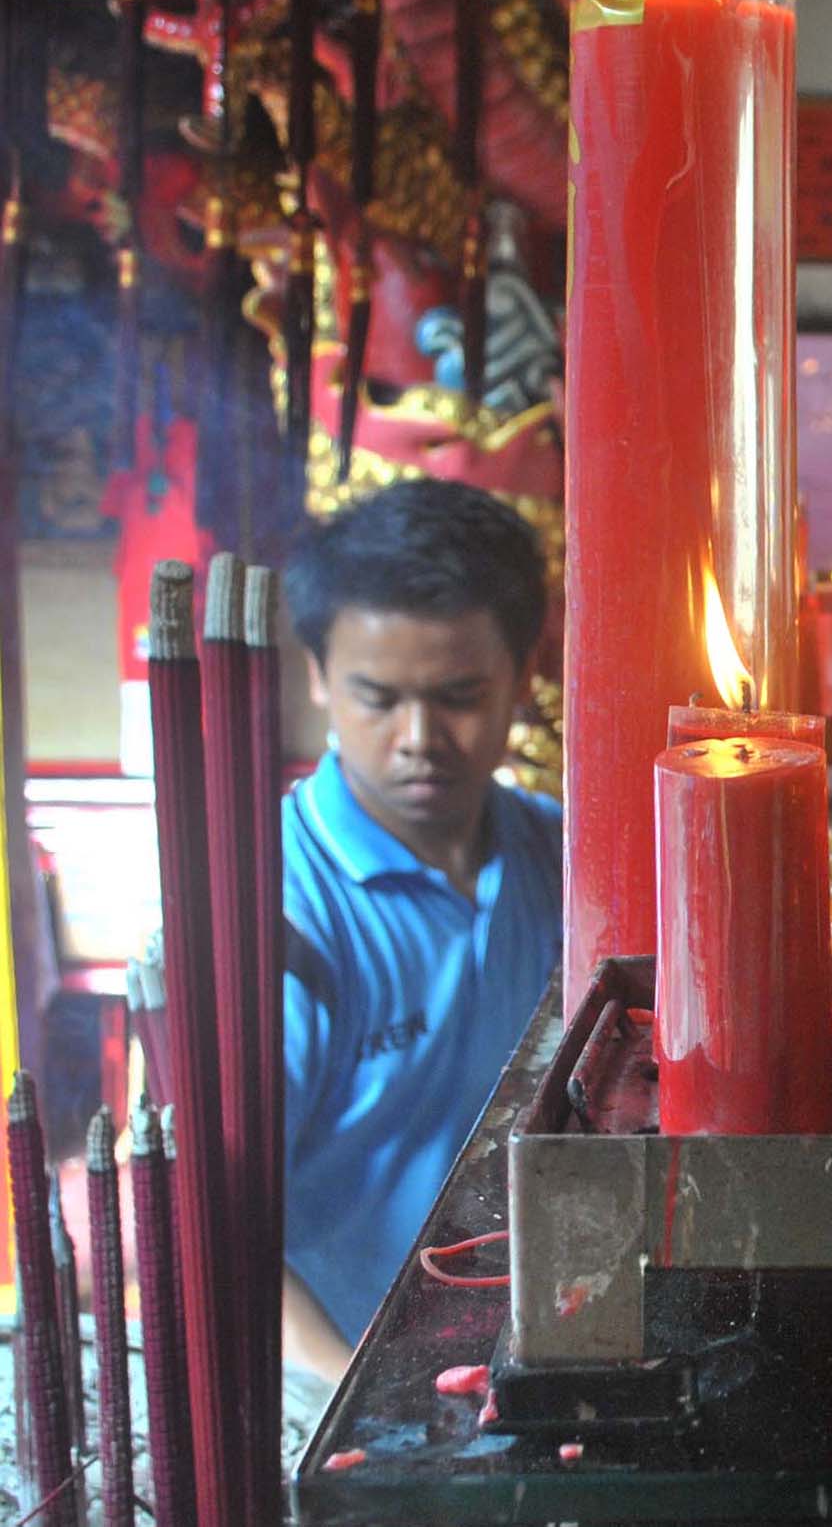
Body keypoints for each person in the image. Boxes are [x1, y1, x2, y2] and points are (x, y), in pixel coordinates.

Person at [277, 478, 559, 1375]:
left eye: (459, 695)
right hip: (327, 1381)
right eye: (378, 696)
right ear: (319, 675)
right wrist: (356, 1395)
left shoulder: (562, 857)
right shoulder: (276, 909)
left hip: (536, 1355)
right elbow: (210, 1232)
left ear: (523, 676)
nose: (418, 737)